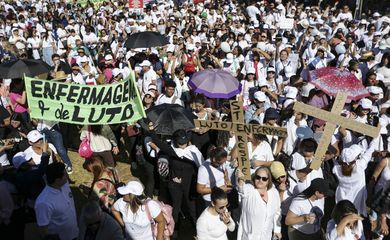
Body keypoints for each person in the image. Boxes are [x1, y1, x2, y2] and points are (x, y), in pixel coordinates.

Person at [34, 161, 79, 240]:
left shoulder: (64, 184)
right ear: (57, 180)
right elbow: (43, 228)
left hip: (74, 233)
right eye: (65, 174)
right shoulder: (43, 203)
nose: (67, 175)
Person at [236, 167, 282, 240]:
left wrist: (277, 230)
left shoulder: (274, 192)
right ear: (254, 178)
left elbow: (277, 212)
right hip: (249, 237)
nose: (260, 180)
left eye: (264, 179)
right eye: (258, 177)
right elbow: (241, 189)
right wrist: (240, 178)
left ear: (268, 180)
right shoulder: (249, 190)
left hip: (266, 237)